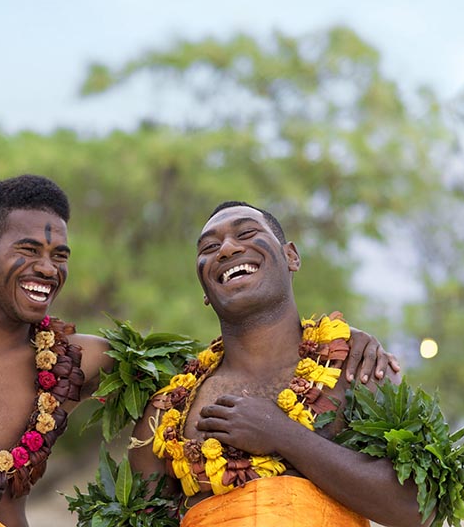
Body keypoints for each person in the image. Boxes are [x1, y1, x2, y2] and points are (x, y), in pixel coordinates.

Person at [0, 181, 395, 527]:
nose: (47, 267)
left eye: (59, 254)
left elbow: (220, 363)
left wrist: (344, 344)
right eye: (28, 249)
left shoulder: (83, 358)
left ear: (290, 255)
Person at [128, 201, 420, 527]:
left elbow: (417, 509)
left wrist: (280, 433)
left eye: (247, 232)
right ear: (205, 290)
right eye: (210, 247)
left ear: (291, 256)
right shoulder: (167, 413)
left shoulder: (357, 367)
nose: (226, 249)